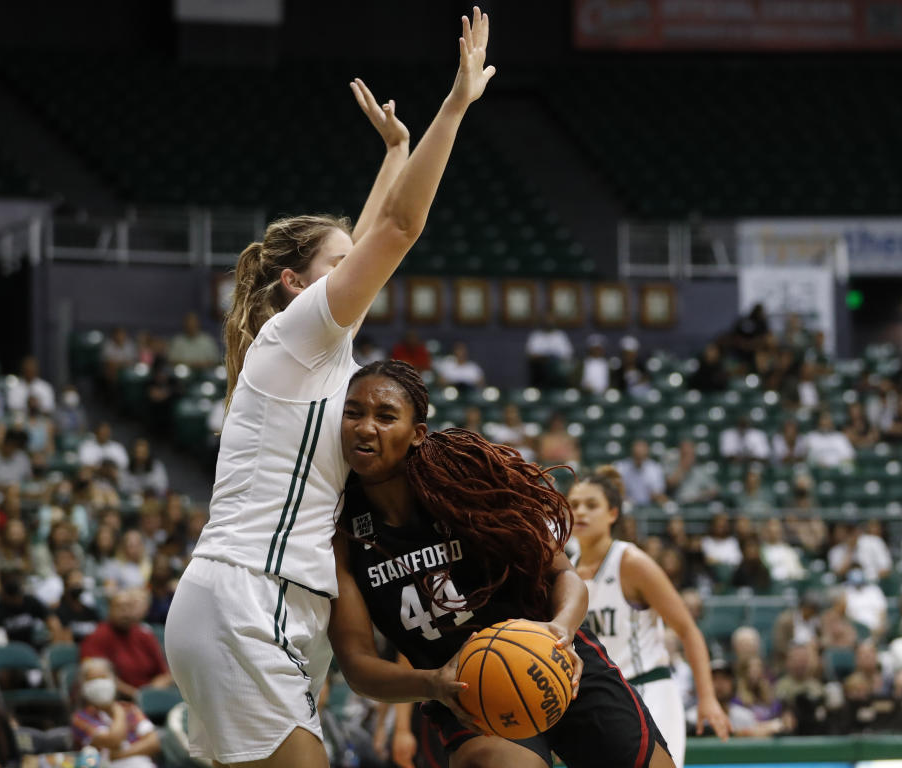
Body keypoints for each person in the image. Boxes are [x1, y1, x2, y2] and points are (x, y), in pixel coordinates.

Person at [165, 11, 497, 767]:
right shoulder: (292, 338)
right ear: (294, 284)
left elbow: (379, 226)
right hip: (247, 598)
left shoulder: (319, 353)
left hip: (276, 607)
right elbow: (401, 228)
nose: (354, 274)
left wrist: (397, 149)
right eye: (336, 263)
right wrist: (452, 109)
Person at [329, 360, 673, 768]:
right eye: (353, 413)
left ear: (417, 434)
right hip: (464, 692)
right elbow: (357, 665)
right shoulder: (342, 531)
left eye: (385, 416)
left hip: (556, 659)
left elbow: (564, 574)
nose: (366, 427)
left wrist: (560, 630)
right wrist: (433, 684)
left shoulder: (464, 486)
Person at [568, 467, 731, 768]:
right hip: (599, 697)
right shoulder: (567, 571)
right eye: (574, 504)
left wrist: (707, 697)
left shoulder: (631, 563)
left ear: (613, 513)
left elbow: (688, 630)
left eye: (592, 505)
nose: (581, 512)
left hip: (648, 691)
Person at [72, 657, 161, 768]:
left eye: (103, 677)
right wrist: (117, 710)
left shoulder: (130, 708)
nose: (99, 684)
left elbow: (154, 742)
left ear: (114, 680)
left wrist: (119, 755)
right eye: (92, 680)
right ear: (83, 687)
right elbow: (114, 739)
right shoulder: (80, 718)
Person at [82, 590, 173, 699]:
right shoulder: (97, 636)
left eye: (129, 607)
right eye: (120, 607)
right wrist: (136, 694)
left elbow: (165, 673)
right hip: (117, 698)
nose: (125, 612)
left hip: (152, 696)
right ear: (110, 609)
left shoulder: (144, 635)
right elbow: (98, 677)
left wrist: (155, 688)